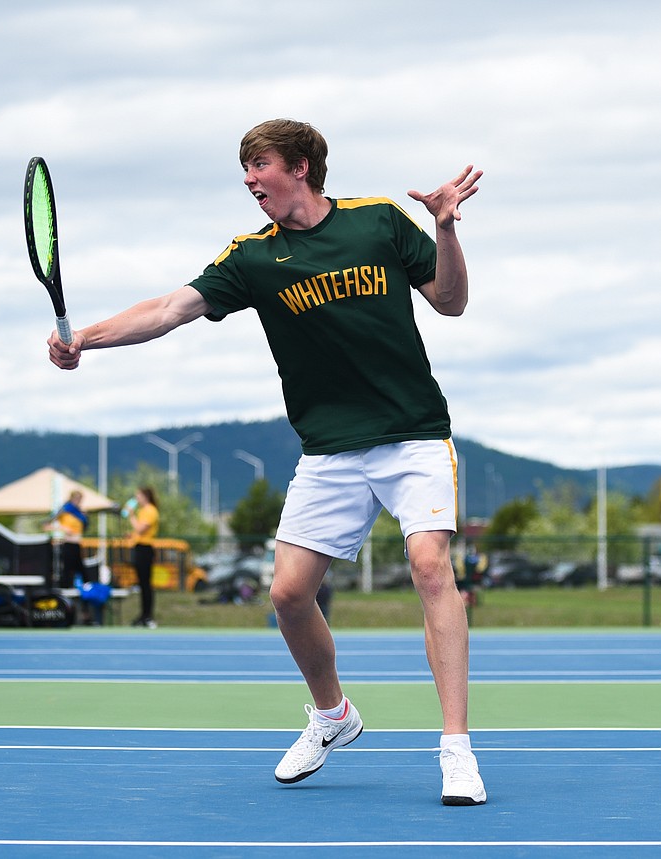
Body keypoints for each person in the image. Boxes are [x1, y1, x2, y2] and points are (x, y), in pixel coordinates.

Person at [47, 118, 485, 806]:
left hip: (412, 436)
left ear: (302, 167)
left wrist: (447, 229)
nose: (250, 179)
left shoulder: (379, 222)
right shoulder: (252, 257)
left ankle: (456, 749)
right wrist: (85, 339)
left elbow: (452, 302)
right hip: (329, 450)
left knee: (432, 567)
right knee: (286, 594)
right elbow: (169, 308)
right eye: (245, 169)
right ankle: (334, 715)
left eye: (260, 166)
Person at [125, 487, 160, 628]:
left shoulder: (150, 510)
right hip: (139, 547)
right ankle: (143, 615)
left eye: (138, 496)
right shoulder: (143, 511)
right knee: (141, 584)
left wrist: (131, 515)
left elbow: (141, 529)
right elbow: (138, 532)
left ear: (145, 496)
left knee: (146, 584)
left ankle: (148, 616)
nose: (136, 499)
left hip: (146, 549)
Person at [46, 490, 88, 589]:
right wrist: (63, 528)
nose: (78, 501)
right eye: (77, 499)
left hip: (77, 542)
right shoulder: (65, 509)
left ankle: (83, 585)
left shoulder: (79, 513)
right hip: (68, 542)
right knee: (69, 567)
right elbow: (48, 524)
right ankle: (66, 586)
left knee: (79, 566)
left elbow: (83, 527)